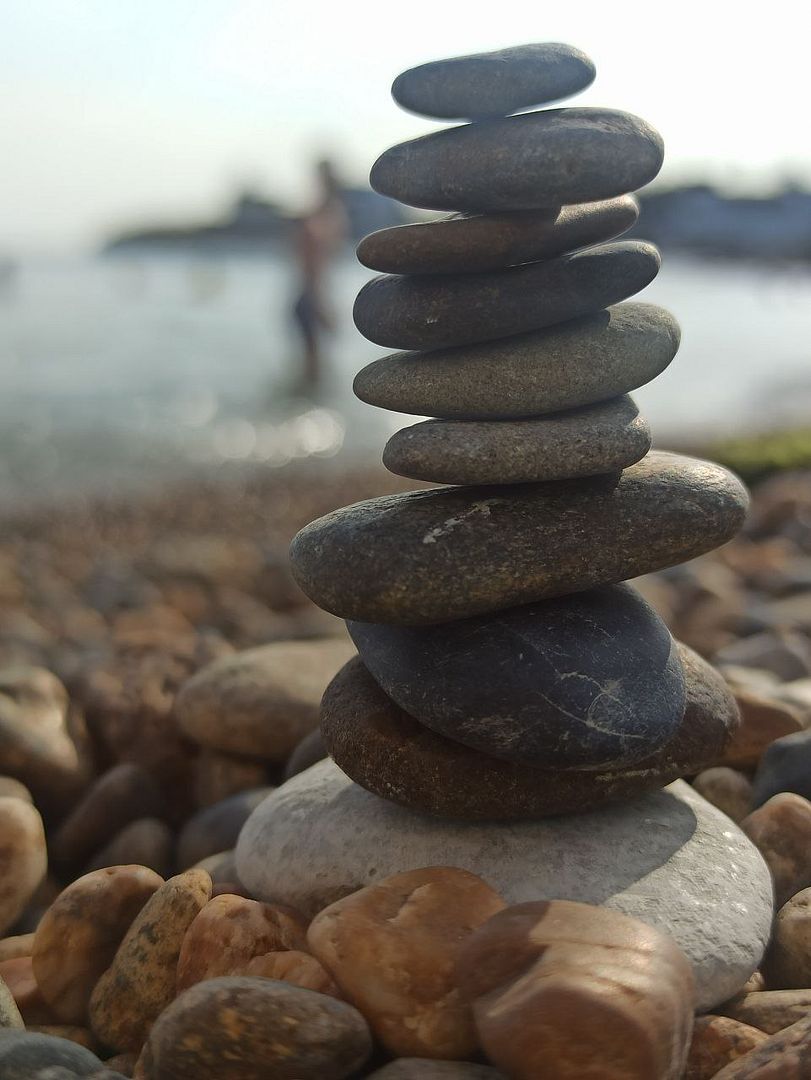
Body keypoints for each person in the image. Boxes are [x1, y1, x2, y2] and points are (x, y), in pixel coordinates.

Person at [290, 159, 348, 394]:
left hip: (309, 296)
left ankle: (300, 410)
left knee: (312, 370)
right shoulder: (320, 217)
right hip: (310, 298)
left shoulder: (325, 212)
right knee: (314, 371)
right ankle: (304, 416)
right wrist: (320, 302)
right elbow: (312, 263)